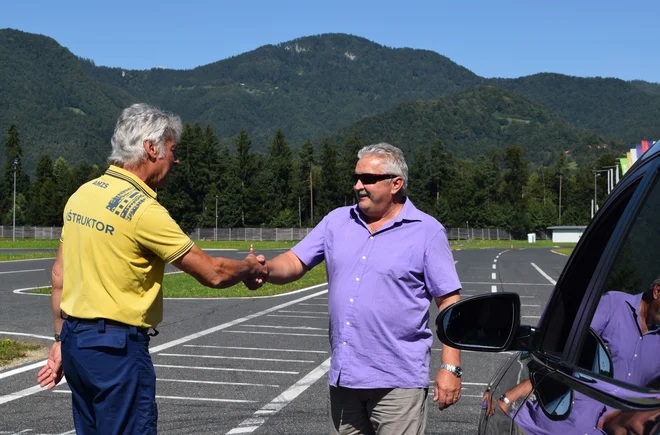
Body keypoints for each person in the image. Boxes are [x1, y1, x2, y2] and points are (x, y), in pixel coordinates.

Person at [36, 103, 267, 434]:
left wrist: (59, 340)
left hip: (75, 343)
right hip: (116, 350)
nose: (176, 160)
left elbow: (58, 275)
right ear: (151, 148)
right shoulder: (144, 210)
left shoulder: (82, 195)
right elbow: (212, 272)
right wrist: (248, 267)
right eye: (172, 150)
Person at [264, 143, 462, 434]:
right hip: (346, 379)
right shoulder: (336, 221)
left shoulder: (426, 231)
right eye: (356, 178)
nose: (358, 186)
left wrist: (450, 368)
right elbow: (295, 261)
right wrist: (265, 270)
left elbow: (449, 303)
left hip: (399, 383)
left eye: (368, 179)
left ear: (396, 184)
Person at [483, 275, 660, 434]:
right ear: (657, 291)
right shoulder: (613, 305)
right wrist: (510, 396)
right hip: (542, 427)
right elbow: (559, 355)